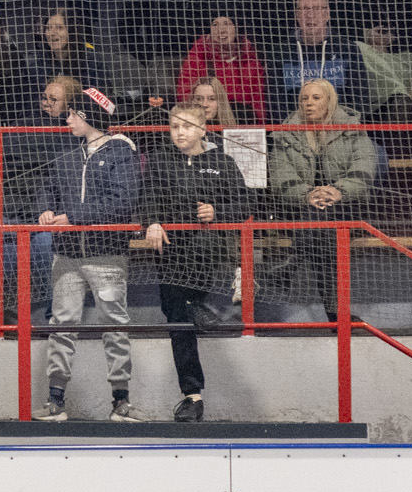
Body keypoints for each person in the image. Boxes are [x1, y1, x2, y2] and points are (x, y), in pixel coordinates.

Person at [34, 82, 141, 424]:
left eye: (72, 113)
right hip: (66, 255)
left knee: (115, 326)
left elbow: (123, 203)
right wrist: (46, 211)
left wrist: (74, 217)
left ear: (88, 115)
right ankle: (55, 401)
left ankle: (121, 402)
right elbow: (48, 189)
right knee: (62, 324)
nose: (66, 119)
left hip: (106, 255)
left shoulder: (121, 152)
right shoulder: (68, 154)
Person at [142, 104, 250, 425]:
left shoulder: (222, 162)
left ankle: (192, 395)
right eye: (175, 127)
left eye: (187, 126)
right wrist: (152, 222)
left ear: (203, 129)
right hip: (169, 251)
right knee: (178, 315)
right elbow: (147, 196)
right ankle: (196, 309)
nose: (180, 133)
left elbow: (244, 203)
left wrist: (217, 212)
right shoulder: (161, 161)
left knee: (177, 316)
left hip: (205, 251)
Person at [268, 77, 374, 308]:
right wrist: (307, 194)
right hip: (301, 207)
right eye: (304, 98)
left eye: (316, 98)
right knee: (321, 229)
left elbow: (364, 170)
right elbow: (280, 177)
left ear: (330, 102)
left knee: (320, 223)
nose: (309, 103)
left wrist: (338, 191)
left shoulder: (353, 130)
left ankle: (291, 265)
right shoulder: (285, 134)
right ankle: (336, 314)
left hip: (347, 205)